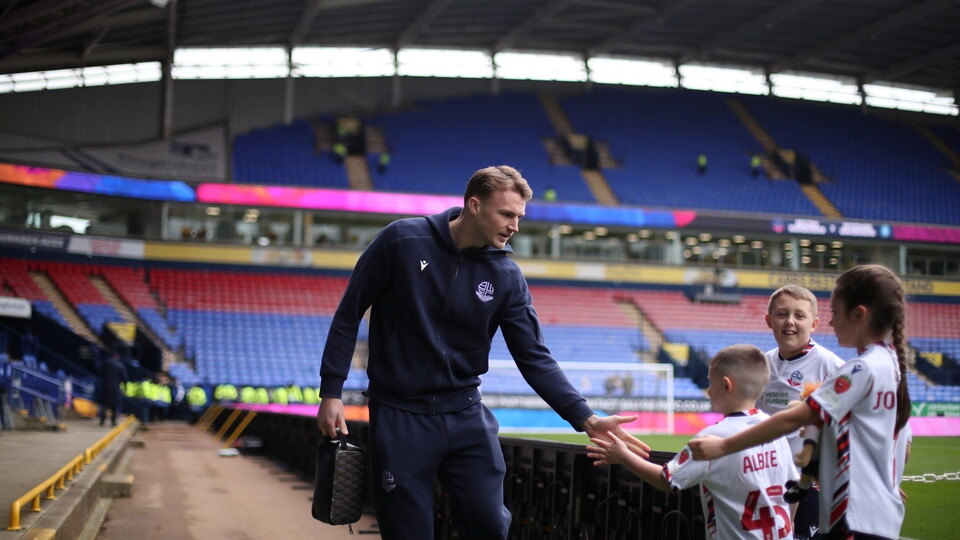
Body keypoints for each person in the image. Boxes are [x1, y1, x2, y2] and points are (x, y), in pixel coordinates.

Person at [317, 165, 640, 540]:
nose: (515, 226)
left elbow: (534, 357)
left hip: (466, 413)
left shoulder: (507, 277)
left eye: (519, 216)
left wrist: (585, 417)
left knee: (489, 525)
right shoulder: (401, 240)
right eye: (506, 214)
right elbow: (348, 313)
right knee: (407, 533)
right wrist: (332, 391)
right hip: (399, 415)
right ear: (474, 204)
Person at [689, 264, 911, 540]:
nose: (831, 322)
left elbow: (796, 418)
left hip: (853, 514)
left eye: (835, 313)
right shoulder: (889, 364)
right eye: (781, 314)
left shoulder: (855, 370)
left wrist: (723, 445)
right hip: (855, 506)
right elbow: (896, 439)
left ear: (858, 315)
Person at [587, 344, 797, 540]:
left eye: (710, 383)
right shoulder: (774, 430)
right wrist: (790, 524)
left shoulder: (712, 439)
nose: (708, 391)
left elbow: (666, 480)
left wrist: (623, 456)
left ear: (726, 385)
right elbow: (793, 489)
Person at [759, 284, 844, 540]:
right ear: (769, 320)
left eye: (800, 315)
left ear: (815, 323)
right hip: (763, 481)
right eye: (782, 314)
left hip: (808, 486)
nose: (790, 322)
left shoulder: (832, 368)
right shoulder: (761, 364)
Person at [98, 350, 128, 427]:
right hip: (115, 387)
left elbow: (100, 372)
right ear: (117, 356)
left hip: (105, 386)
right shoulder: (120, 365)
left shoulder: (105, 363)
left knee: (104, 404)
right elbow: (124, 378)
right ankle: (113, 421)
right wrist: (125, 387)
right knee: (114, 405)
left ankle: (102, 420)